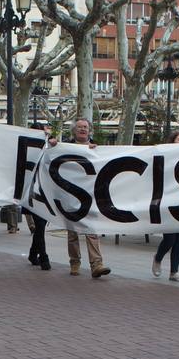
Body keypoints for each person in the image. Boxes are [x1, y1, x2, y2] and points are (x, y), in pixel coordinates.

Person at [64, 119, 110, 278]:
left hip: (91, 195)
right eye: (79, 127)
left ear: (90, 130)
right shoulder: (65, 147)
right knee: (72, 233)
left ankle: (97, 264)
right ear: (74, 131)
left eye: (85, 127)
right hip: (71, 195)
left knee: (92, 231)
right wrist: (53, 143)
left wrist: (95, 151)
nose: (82, 129)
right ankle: (74, 262)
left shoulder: (99, 149)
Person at [151, 130, 179, 282]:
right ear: (172, 142)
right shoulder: (164, 156)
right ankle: (158, 258)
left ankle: (174, 272)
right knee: (170, 238)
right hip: (167, 201)